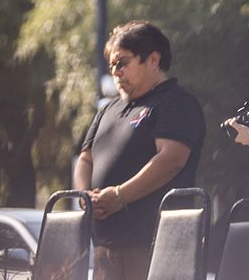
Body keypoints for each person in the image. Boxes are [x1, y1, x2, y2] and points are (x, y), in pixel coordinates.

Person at [73, 21, 205, 280]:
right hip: (105, 246)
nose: (116, 72)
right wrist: (84, 196)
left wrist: (119, 196)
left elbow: (171, 159)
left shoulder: (177, 102)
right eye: (112, 66)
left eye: (122, 63)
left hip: (155, 245)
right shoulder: (108, 109)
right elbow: (85, 158)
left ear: (153, 60)